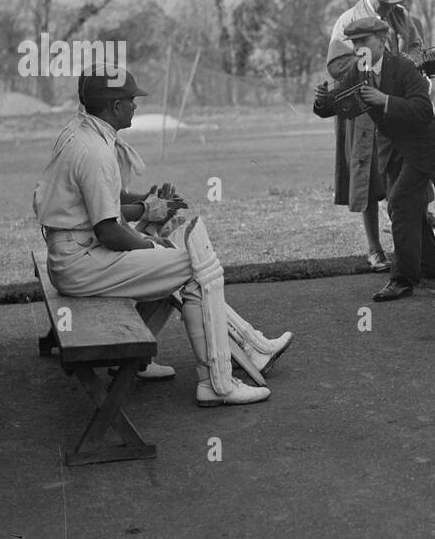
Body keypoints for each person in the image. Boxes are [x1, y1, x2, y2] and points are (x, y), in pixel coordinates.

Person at [34, 71, 285, 407]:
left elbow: (106, 195)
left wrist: (149, 205)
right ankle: (217, 382)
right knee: (193, 266)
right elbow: (109, 231)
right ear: (116, 105)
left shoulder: (82, 131)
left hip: (74, 253)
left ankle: (247, 348)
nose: (137, 106)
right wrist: (154, 244)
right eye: (133, 100)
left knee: (172, 266)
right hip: (80, 261)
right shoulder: (94, 151)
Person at [315, 17, 435, 301]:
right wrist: (321, 100)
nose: (357, 48)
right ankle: (434, 266)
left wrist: (383, 99)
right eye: (354, 43)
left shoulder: (403, 68)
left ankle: (402, 280)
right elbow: (336, 103)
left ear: (381, 40)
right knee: (410, 206)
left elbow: (423, 110)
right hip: (395, 151)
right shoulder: (359, 70)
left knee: (400, 204)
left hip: (422, 149)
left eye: (363, 41)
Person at [328, 0, 424, 272]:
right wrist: (371, 63)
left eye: (395, 3)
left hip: (397, 108)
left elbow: (415, 46)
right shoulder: (347, 21)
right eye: (386, 4)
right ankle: (374, 249)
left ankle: (415, 250)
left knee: (406, 174)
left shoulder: (400, 15)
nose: (390, 9)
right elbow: (336, 64)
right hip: (363, 111)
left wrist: (408, 62)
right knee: (369, 181)